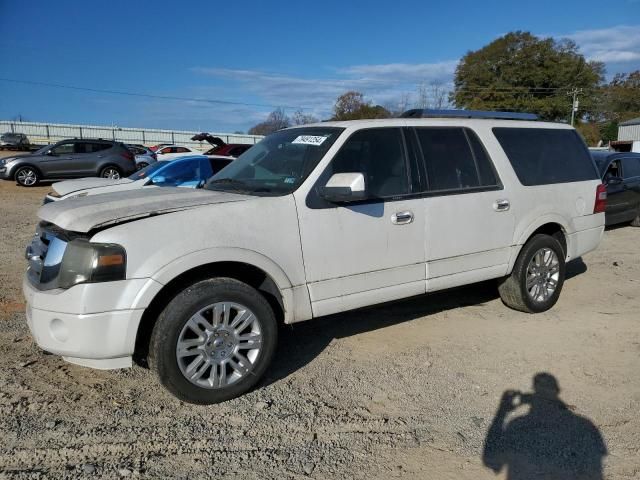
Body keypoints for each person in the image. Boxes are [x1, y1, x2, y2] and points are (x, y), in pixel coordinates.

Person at [483, 373, 607, 480]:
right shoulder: (584, 426)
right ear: (557, 391)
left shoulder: (517, 425)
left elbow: (492, 463)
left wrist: (502, 410)